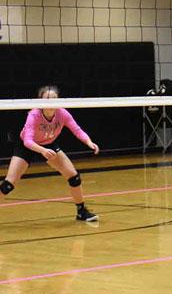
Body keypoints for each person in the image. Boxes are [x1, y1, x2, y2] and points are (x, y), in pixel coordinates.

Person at [0, 85, 100, 222]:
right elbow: (28, 141)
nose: (51, 101)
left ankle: (81, 212)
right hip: (28, 146)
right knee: (8, 185)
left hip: (49, 145)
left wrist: (89, 142)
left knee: (74, 177)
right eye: (47, 98)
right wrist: (42, 150)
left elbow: (77, 130)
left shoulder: (62, 113)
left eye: (54, 98)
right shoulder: (34, 114)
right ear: (40, 100)